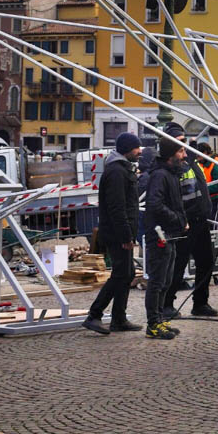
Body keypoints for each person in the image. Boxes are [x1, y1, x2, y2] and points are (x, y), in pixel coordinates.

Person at [84, 132, 144, 334]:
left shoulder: (122, 169)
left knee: (126, 274)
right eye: (137, 148)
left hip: (120, 232)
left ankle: (119, 318)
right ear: (127, 149)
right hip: (117, 234)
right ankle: (95, 315)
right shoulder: (117, 172)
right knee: (120, 274)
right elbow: (117, 208)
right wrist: (126, 236)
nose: (140, 151)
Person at [162, 122, 218, 319]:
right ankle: (166, 304)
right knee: (178, 264)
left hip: (200, 219)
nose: (183, 146)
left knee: (206, 261)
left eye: (184, 141)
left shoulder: (190, 158)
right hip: (185, 222)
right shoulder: (170, 165)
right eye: (179, 142)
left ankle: (200, 303)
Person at [142, 131, 189, 339]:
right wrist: (178, 219)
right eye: (181, 150)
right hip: (160, 235)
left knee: (166, 280)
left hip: (169, 233)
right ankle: (153, 324)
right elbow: (155, 205)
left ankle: (160, 320)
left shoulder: (170, 174)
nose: (185, 154)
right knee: (157, 281)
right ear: (171, 154)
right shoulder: (161, 175)